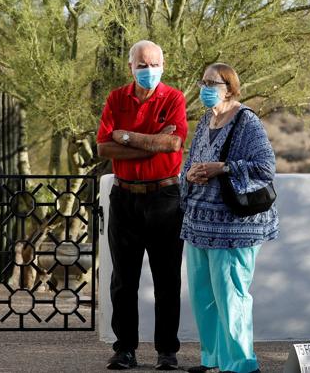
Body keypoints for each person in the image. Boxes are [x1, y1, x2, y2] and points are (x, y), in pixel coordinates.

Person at [96, 40, 189, 371]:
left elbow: (174, 142)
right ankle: (125, 350)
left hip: (164, 198)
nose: (148, 71)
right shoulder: (116, 98)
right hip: (124, 198)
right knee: (123, 280)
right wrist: (150, 144)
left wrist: (125, 135)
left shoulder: (174, 98)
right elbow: (104, 149)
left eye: (154, 64)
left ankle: (167, 351)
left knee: (167, 280)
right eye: (142, 65)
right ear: (130, 67)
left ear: (164, 65)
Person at [180, 63, 278, 373]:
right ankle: (214, 360)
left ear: (230, 88)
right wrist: (191, 173)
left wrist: (223, 167)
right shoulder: (206, 120)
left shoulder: (246, 121)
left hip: (233, 227)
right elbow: (192, 162)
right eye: (204, 81)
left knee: (231, 295)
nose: (205, 87)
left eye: (213, 82)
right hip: (198, 224)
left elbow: (265, 168)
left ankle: (241, 364)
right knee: (203, 296)